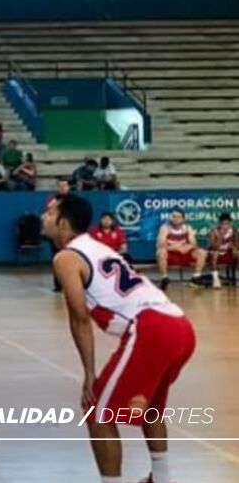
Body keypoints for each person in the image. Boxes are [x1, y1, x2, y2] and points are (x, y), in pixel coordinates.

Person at [43, 194, 195, 483]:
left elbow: (79, 317)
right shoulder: (99, 248)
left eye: (49, 213)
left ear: (63, 222)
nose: (43, 217)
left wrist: (89, 373)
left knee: (97, 412)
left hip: (153, 327)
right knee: (149, 408)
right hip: (180, 325)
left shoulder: (66, 257)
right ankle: (162, 478)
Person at [156, 209, 206, 290]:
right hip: (171, 255)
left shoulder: (187, 228)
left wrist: (187, 247)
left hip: (185, 254)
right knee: (161, 252)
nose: (175, 219)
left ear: (183, 219)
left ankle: (195, 278)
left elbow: (194, 244)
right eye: (174, 216)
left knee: (202, 252)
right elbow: (160, 245)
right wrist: (176, 247)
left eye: (178, 217)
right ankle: (164, 279)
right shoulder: (165, 228)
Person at [208, 213, 236, 289]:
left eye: (228, 224)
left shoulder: (233, 231)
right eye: (223, 224)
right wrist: (221, 235)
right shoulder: (214, 231)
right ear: (219, 224)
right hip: (216, 252)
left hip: (228, 253)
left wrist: (234, 247)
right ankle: (216, 279)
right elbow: (213, 246)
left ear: (230, 223)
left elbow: (237, 244)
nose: (225, 226)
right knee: (214, 254)